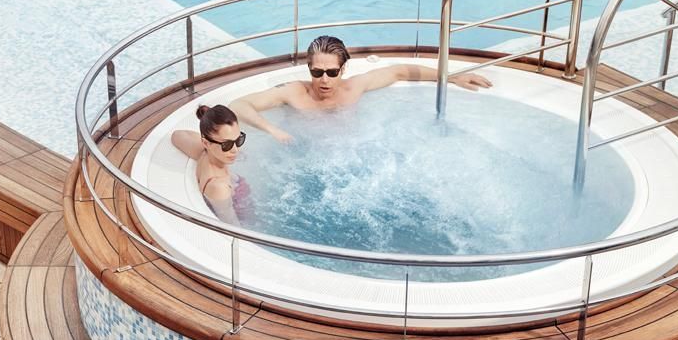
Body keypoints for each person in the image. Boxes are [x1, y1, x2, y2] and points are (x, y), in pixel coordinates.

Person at [229, 35, 493, 143]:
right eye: (317, 72)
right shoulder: (294, 92)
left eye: (332, 72)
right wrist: (272, 129)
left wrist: (451, 77)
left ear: (343, 69)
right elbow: (238, 106)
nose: (324, 80)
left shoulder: (354, 88)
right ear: (309, 68)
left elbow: (399, 71)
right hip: (305, 156)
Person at [171, 104, 251, 225]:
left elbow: (177, 135)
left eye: (238, 140)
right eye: (227, 144)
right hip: (239, 208)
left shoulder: (204, 153)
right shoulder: (219, 188)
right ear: (206, 143)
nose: (235, 150)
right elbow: (233, 227)